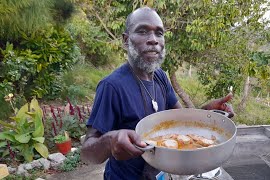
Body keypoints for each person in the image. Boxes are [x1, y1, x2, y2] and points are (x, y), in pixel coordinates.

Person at [80, 7, 234, 180]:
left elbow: (181, 120)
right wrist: (110, 141)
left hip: (158, 174)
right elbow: (87, 153)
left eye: (159, 33)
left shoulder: (160, 76)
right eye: (143, 31)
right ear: (125, 40)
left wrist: (206, 112)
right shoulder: (112, 86)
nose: (153, 40)